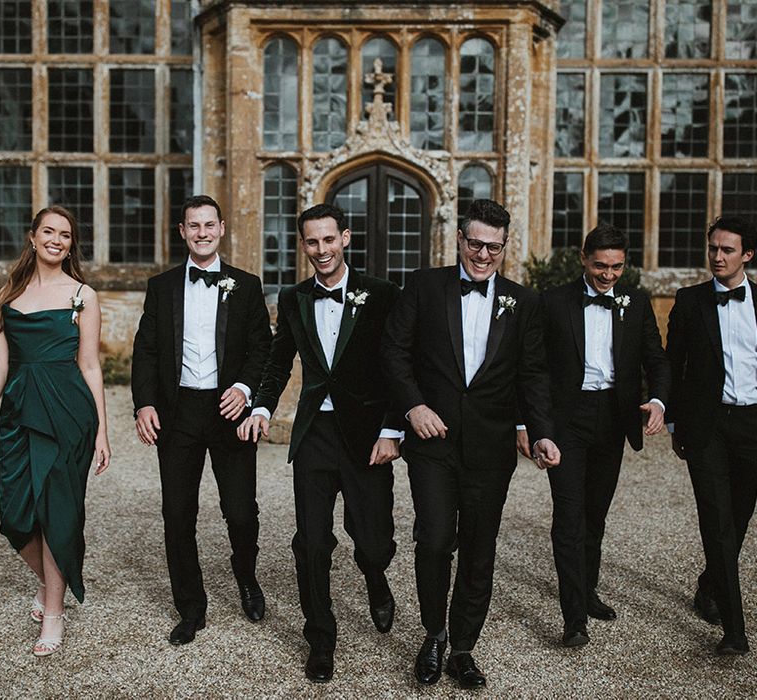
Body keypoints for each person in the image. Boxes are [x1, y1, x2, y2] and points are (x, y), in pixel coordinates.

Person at [379, 199, 560, 689]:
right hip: (431, 444)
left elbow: (533, 375)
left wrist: (541, 431)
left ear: (504, 247)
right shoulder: (422, 285)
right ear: (459, 239)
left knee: (480, 549)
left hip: (490, 448)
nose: (483, 254)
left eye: (493, 247)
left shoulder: (523, 302)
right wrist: (413, 407)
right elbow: (393, 352)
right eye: (475, 243)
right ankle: (433, 633)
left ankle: (462, 647)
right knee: (435, 539)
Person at [238, 203, 401, 683]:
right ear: (303, 245)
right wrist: (262, 407)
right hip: (314, 434)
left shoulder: (383, 294)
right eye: (312, 241)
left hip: (367, 435)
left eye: (329, 239)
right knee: (311, 542)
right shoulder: (292, 298)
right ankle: (321, 638)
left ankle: (374, 574)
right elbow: (277, 360)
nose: (321, 249)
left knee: (374, 540)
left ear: (345, 238)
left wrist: (393, 430)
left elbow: (398, 366)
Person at [518, 223, 670, 647]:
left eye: (617, 267)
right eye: (601, 265)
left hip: (614, 417)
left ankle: (587, 593)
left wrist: (657, 401)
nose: (608, 275)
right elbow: (531, 368)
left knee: (595, 514)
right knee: (568, 516)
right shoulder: (552, 302)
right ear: (583, 259)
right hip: (567, 419)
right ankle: (573, 619)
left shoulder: (636, 303)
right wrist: (532, 426)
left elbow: (657, 361)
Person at [131, 195, 272, 646]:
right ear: (182, 231)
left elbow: (261, 349)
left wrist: (246, 390)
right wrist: (144, 404)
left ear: (222, 228)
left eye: (209, 225)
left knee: (240, 511)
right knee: (177, 513)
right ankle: (190, 607)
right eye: (194, 226)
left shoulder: (246, 286)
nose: (202, 233)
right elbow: (146, 350)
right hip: (178, 412)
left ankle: (247, 579)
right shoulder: (162, 286)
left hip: (229, 411)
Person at [0, 206, 111, 657]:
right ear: (33, 237)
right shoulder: (9, 295)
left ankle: (54, 613)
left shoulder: (83, 295)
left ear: (70, 244)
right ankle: (48, 584)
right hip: (19, 412)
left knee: (57, 512)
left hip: (68, 413)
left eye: (65, 234)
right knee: (15, 515)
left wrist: (101, 429)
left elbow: (90, 364)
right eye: (49, 232)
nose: (57, 240)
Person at [666, 215, 757, 656]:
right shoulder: (689, 301)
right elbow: (672, 366)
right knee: (717, 523)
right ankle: (734, 629)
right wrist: (673, 422)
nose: (717, 257)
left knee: (738, 518)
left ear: (748, 255)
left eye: (727, 250)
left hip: (753, 425)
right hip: (707, 429)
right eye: (713, 249)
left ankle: (708, 584)